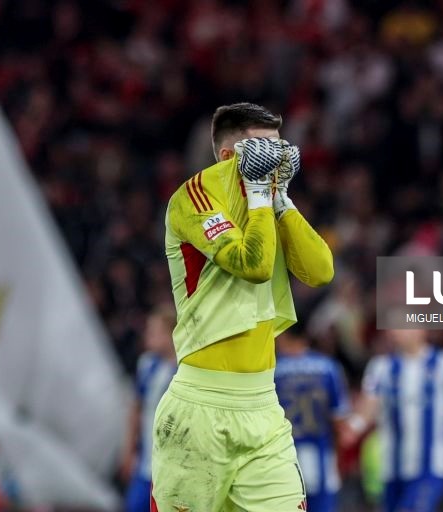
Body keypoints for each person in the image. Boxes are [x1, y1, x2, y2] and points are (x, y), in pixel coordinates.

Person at [153, 102, 334, 512]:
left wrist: (280, 199)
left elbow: (321, 271)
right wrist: (257, 194)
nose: (276, 159)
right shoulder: (193, 197)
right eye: (262, 150)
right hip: (200, 409)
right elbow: (252, 266)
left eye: (279, 148)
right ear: (228, 155)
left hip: (264, 407)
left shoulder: (267, 203)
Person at [353, 329, 443, 512]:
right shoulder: (380, 367)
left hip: (430, 467)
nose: (397, 332)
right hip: (391, 467)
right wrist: (350, 427)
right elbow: (367, 409)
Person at [274, 328, 357, 512]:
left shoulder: (274, 370)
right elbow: (339, 419)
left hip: (284, 460)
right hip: (322, 457)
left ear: (283, 336)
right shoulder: (328, 367)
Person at [120, 306, 177, 512]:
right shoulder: (147, 364)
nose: (148, 336)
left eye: (155, 332)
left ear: (173, 334)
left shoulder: (185, 369)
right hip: (145, 464)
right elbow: (136, 409)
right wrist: (128, 449)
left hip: (173, 467)